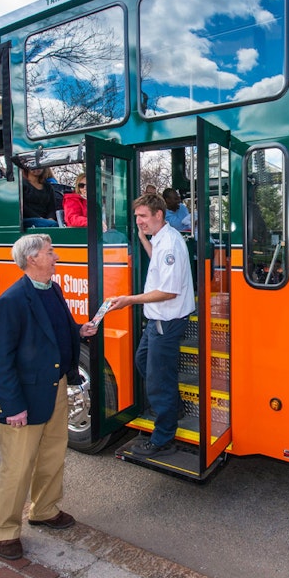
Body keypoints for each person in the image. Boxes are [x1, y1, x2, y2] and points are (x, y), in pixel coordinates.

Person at [0, 234, 97, 561]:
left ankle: (44, 509)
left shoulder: (52, 289)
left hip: (55, 386)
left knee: (51, 456)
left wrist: (79, 331)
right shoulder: (13, 301)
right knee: (18, 468)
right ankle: (5, 532)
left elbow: (54, 330)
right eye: (50, 252)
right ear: (32, 259)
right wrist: (13, 406)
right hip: (25, 397)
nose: (56, 257)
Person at [106, 194, 195, 457]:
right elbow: (156, 258)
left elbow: (168, 291)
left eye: (143, 216)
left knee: (159, 381)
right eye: (136, 217)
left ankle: (162, 439)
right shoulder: (162, 239)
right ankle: (174, 407)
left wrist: (129, 300)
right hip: (156, 321)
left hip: (164, 323)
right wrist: (144, 238)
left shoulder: (169, 244)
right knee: (143, 361)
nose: (138, 221)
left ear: (159, 214)